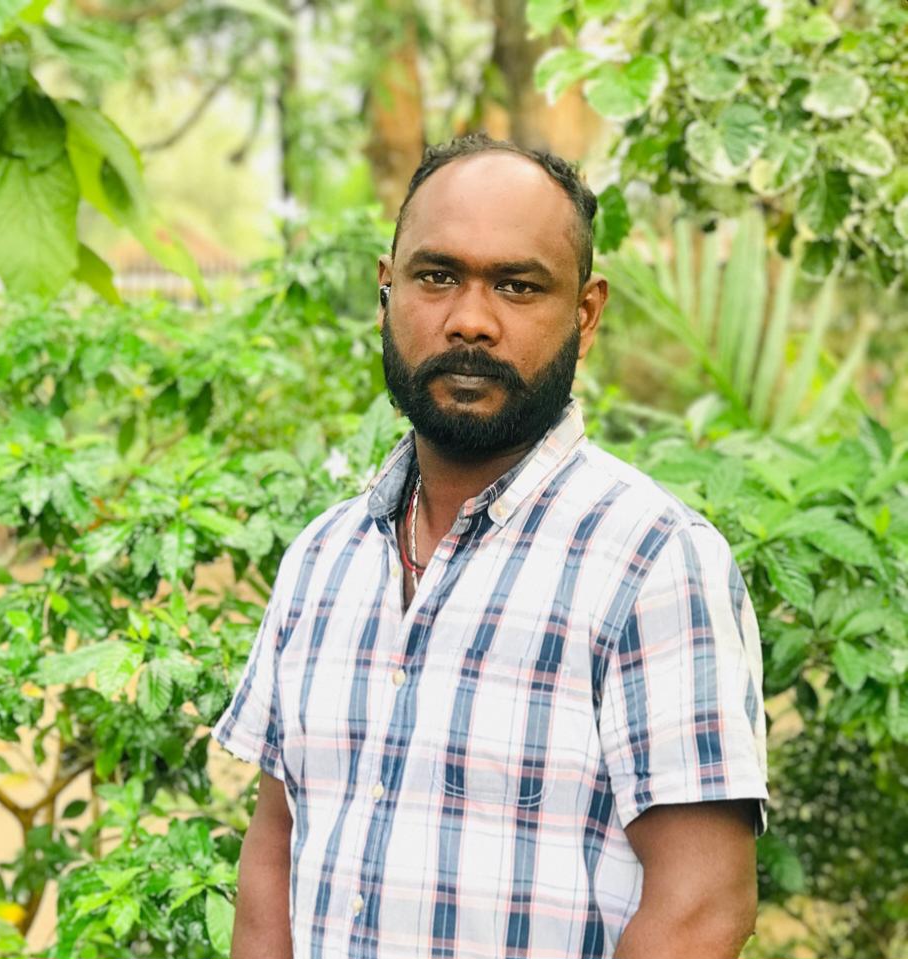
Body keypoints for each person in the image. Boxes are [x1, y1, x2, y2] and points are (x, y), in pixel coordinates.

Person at [214, 134, 769, 959]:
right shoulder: (322, 560)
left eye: (517, 285)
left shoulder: (653, 563)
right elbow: (273, 848)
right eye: (436, 276)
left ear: (584, 316)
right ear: (386, 290)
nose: (470, 319)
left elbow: (701, 907)